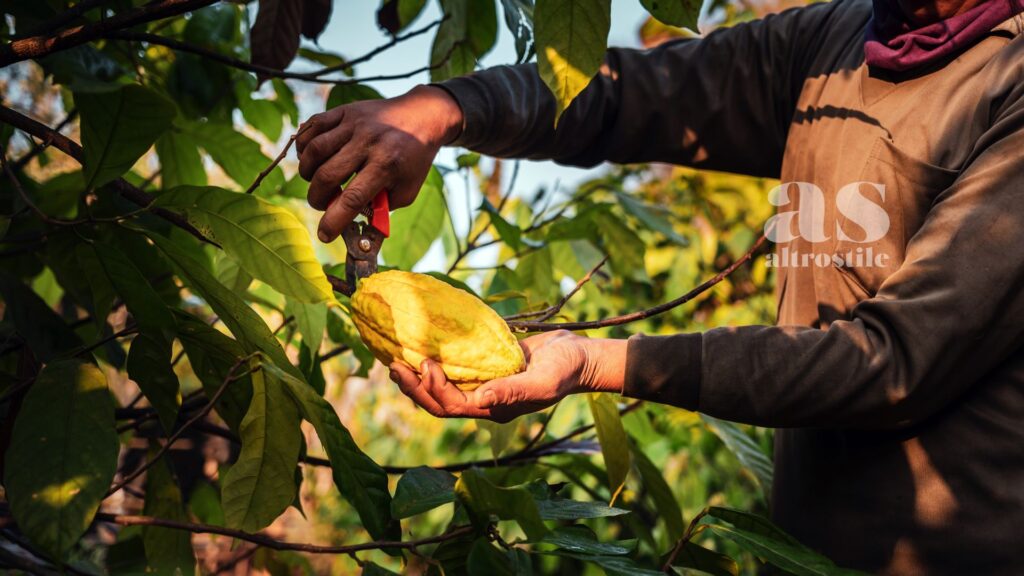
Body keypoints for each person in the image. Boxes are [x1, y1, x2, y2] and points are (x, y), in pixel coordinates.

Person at [296, 0, 1024, 571]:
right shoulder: (835, 41)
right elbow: (625, 95)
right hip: (803, 552)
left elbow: (890, 360)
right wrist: (441, 109)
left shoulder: (1010, 80)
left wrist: (596, 362)